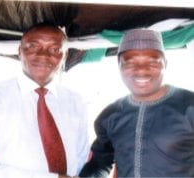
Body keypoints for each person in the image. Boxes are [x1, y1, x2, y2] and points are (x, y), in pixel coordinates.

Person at [0, 23, 89, 178]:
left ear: (65, 56)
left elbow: (80, 158)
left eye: (55, 49)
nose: (43, 55)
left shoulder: (75, 101)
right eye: (33, 47)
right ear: (19, 52)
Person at [79, 29, 194, 177]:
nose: (141, 70)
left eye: (152, 62)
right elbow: (100, 163)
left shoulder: (189, 106)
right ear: (119, 66)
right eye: (130, 62)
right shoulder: (109, 116)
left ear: (165, 64)